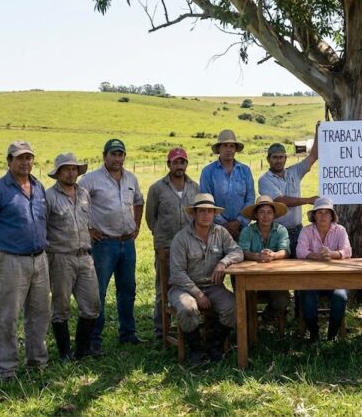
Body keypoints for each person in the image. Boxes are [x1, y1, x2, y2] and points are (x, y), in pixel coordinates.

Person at [0, 141, 50, 382]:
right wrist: (0, 253)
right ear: (9, 161)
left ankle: (37, 362)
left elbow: (44, 220)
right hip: (11, 262)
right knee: (8, 316)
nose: (25, 162)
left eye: (29, 158)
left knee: (39, 314)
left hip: (39, 260)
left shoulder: (39, 188)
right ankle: (7, 369)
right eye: (20, 158)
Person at [79, 138, 144, 352]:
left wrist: (137, 226)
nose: (117, 158)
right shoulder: (91, 180)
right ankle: (94, 340)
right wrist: (88, 229)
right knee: (99, 292)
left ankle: (128, 333)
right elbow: (76, 203)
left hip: (127, 243)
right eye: (113, 154)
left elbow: (139, 201)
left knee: (128, 290)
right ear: (104, 156)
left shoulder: (131, 178)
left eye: (120, 154)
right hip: (103, 244)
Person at [168, 193, 244, 364]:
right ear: (194, 214)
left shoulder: (221, 232)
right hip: (183, 288)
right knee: (188, 309)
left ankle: (214, 345)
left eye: (210, 211)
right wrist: (197, 294)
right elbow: (177, 273)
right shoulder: (181, 238)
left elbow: (237, 251)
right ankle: (195, 350)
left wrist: (223, 262)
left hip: (212, 287)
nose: (206, 215)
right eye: (202, 211)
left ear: (214, 214)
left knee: (234, 305)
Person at [45, 153, 101, 361]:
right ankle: (64, 352)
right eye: (66, 169)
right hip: (60, 257)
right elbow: (42, 227)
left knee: (92, 305)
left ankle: (82, 349)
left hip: (85, 256)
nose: (71, 172)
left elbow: (86, 222)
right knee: (61, 307)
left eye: (74, 168)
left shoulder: (84, 193)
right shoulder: (49, 197)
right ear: (58, 172)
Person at [145, 147, 199, 339]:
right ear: (168, 164)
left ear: (186, 164)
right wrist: (162, 239)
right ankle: (161, 330)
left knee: (189, 285)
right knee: (163, 289)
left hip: (190, 247)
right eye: (175, 162)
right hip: (165, 247)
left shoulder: (195, 187)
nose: (179, 166)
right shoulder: (157, 188)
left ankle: (189, 325)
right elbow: (151, 218)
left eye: (182, 162)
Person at [296, 197, 352, 342]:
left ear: (332, 216)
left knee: (341, 297)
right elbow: (300, 251)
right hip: (311, 279)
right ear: (314, 215)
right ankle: (314, 333)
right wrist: (317, 256)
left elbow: (347, 251)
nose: (323, 216)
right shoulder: (307, 230)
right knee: (307, 297)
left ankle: (331, 335)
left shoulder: (340, 230)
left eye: (326, 213)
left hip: (336, 279)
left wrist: (332, 254)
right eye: (319, 212)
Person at [258, 138, 318, 257]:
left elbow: (313, 156)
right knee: (277, 269)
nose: (278, 161)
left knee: (299, 268)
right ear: (268, 159)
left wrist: (318, 131)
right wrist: (308, 200)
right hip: (276, 232)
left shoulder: (294, 172)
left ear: (286, 158)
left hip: (297, 230)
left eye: (281, 157)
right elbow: (281, 200)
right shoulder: (264, 180)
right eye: (275, 157)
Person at [238, 195, 292, 323]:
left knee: (283, 300)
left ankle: (265, 319)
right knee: (243, 299)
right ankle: (248, 325)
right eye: (261, 212)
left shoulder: (281, 230)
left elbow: (285, 250)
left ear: (274, 215)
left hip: (274, 278)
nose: (265, 216)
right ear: (256, 215)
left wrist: (273, 255)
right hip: (250, 278)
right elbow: (243, 251)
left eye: (269, 212)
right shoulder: (247, 231)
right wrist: (257, 256)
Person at [200, 129, 254, 241]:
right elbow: (207, 203)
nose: (229, 149)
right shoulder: (208, 172)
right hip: (216, 230)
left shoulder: (245, 171)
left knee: (245, 257)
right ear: (219, 148)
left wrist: (238, 222)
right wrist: (225, 224)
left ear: (235, 149)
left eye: (232, 146)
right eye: (225, 146)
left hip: (242, 230)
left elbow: (250, 199)